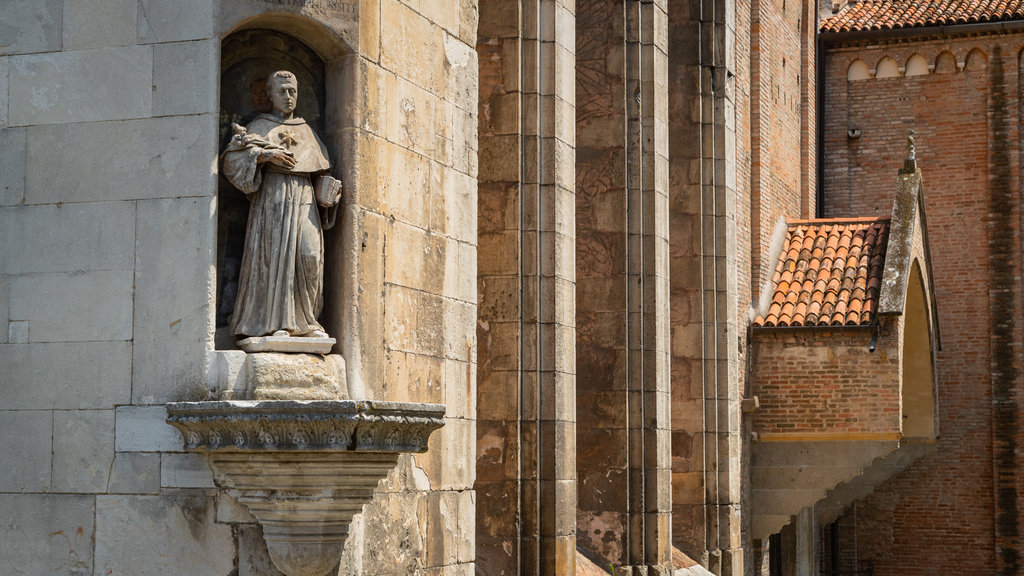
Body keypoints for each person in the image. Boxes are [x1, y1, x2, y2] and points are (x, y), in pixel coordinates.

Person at [221, 70, 341, 340]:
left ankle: (307, 322)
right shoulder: (259, 127)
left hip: (304, 198)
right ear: (271, 95)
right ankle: (272, 324)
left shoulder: (307, 130)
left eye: (292, 91)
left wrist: (328, 193)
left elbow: (321, 169)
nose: (288, 97)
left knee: (309, 255)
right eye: (282, 92)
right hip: (272, 199)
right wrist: (264, 155)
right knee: (272, 258)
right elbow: (231, 162)